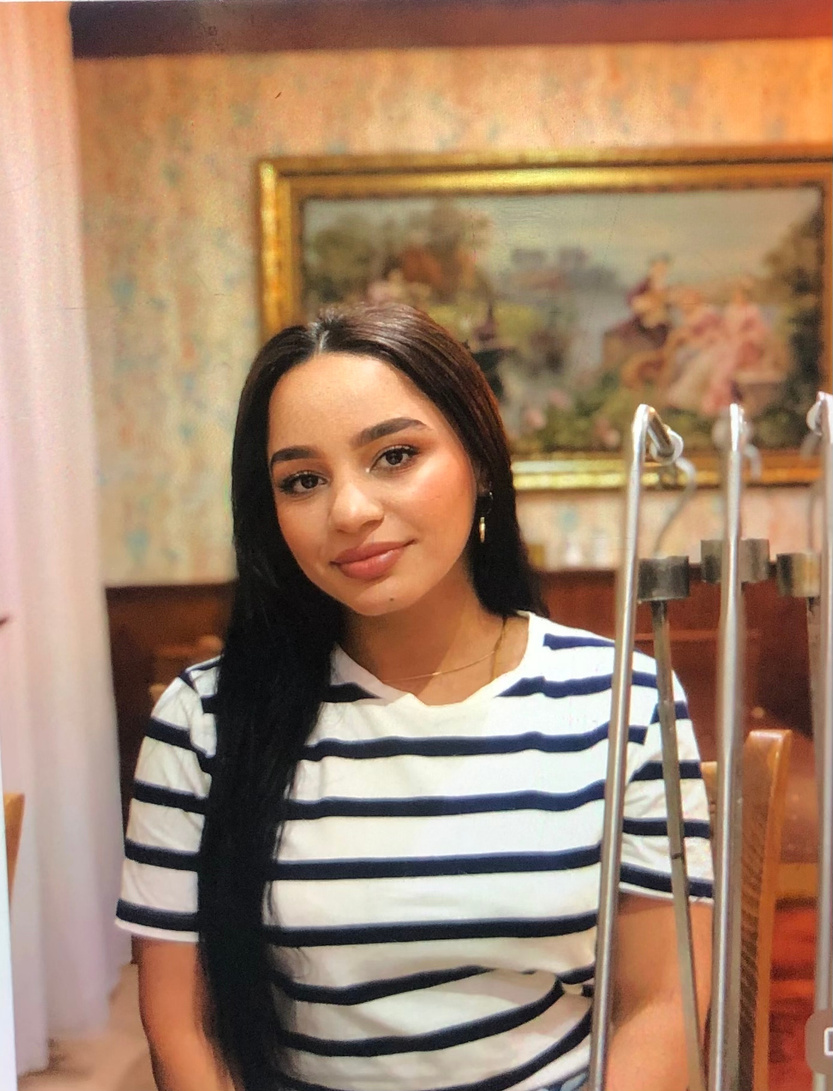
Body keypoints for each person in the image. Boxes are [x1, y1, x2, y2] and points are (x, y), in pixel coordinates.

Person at [116, 303, 714, 1091]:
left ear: (481, 461)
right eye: (302, 480)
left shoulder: (622, 701)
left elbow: (661, 1002)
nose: (349, 511)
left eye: (394, 455)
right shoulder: (204, 721)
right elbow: (184, 1025)